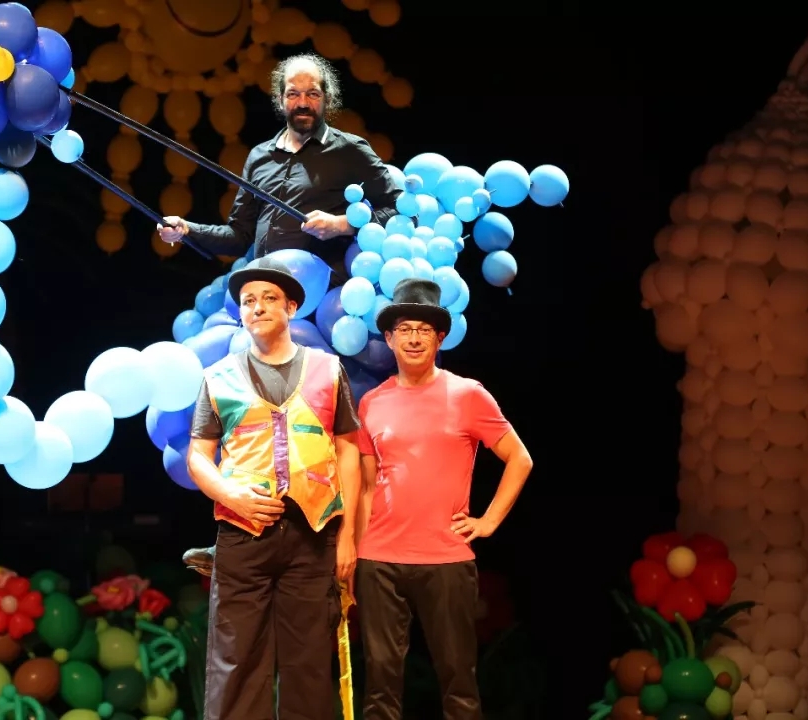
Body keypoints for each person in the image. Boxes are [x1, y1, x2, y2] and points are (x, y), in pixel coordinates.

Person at [186, 257, 362, 720]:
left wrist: (348, 536)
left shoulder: (328, 369)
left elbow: (348, 450)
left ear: (291, 307)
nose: (258, 307)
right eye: (248, 301)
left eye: (268, 298)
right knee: (236, 661)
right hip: (244, 533)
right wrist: (229, 495)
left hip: (312, 533)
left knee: (309, 664)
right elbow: (199, 455)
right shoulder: (218, 376)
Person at [354, 278, 533, 720]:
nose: (414, 338)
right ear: (389, 338)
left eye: (424, 329)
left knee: (458, 682)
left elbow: (520, 458)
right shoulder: (372, 402)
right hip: (379, 560)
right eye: (404, 329)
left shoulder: (467, 394)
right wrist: (355, 550)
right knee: (379, 684)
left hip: (446, 559)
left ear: (440, 338)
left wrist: (488, 521)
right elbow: (366, 484)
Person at [156, 52, 400, 271]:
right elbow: (240, 236)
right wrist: (186, 229)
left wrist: (342, 224)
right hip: (266, 291)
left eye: (312, 94)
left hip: (323, 296)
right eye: (293, 94)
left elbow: (399, 211)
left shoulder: (350, 150)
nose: (302, 103)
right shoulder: (259, 156)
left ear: (327, 98)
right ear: (280, 99)